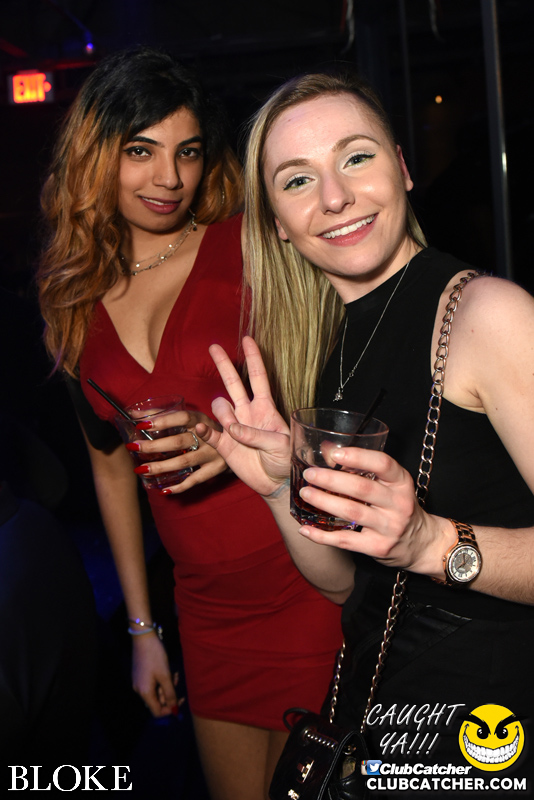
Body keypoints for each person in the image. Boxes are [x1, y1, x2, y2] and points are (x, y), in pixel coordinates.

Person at [197, 71, 534, 788]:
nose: (334, 197)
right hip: (382, 720)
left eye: (356, 157)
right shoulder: (329, 348)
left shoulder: (487, 316)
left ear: (403, 169)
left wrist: (432, 543)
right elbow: (344, 587)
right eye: (297, 180)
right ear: (277, 223)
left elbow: (414, 550)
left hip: (491, 726)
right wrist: (279, 489)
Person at [36, 49, 342, 800]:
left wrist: (232, 437)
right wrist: (144, 631)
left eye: (189, 151)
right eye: (141, 151)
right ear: (97, 155)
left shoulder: (247, 247)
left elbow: (339, 387)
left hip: (306, 577)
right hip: (204, 610)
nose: (169, 178)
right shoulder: (72, 304)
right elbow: (110, 465)